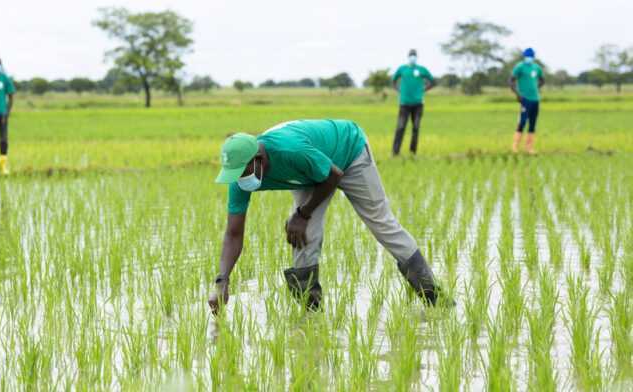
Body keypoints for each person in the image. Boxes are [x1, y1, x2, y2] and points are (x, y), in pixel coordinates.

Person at [209, 119, 451, 314]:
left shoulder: (290, 150)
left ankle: (435, 299)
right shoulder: (240, 179)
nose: (239, 178)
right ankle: (312, 315)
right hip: (310, 171)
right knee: (304, 237)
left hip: (348, 151)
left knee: (382, 224)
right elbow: (233, 233)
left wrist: (302, 214)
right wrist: (222, 280)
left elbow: (333, 175)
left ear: (259, 160)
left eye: (242, 171)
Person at [391, 49, 435, 155]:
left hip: (418, 104)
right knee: (400, 127)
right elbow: (394, 80)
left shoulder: (421, 69)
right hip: (404, 103)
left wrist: (424, 89)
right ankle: (395, 152)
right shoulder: (402, 69)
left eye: (414, 55)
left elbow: (432, 81)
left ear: (417, 57)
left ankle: (412, 152)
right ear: (408, 57)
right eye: (411, 55)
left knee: (416, 128)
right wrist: (398, 90)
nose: (413, 57)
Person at [509, 48, 545, 154]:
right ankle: (515, 146)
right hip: (525, 99)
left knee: (533, 123)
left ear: (533, 57)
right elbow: (511, 80)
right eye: (527, 56)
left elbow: (542, 80)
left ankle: (529, 148)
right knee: (522, 122)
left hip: (535, 99)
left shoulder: (536, 67)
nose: (529, 58)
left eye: (531, 56)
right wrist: (517, 94)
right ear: (524, 56)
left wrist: (536, 88)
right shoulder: (520, 67)